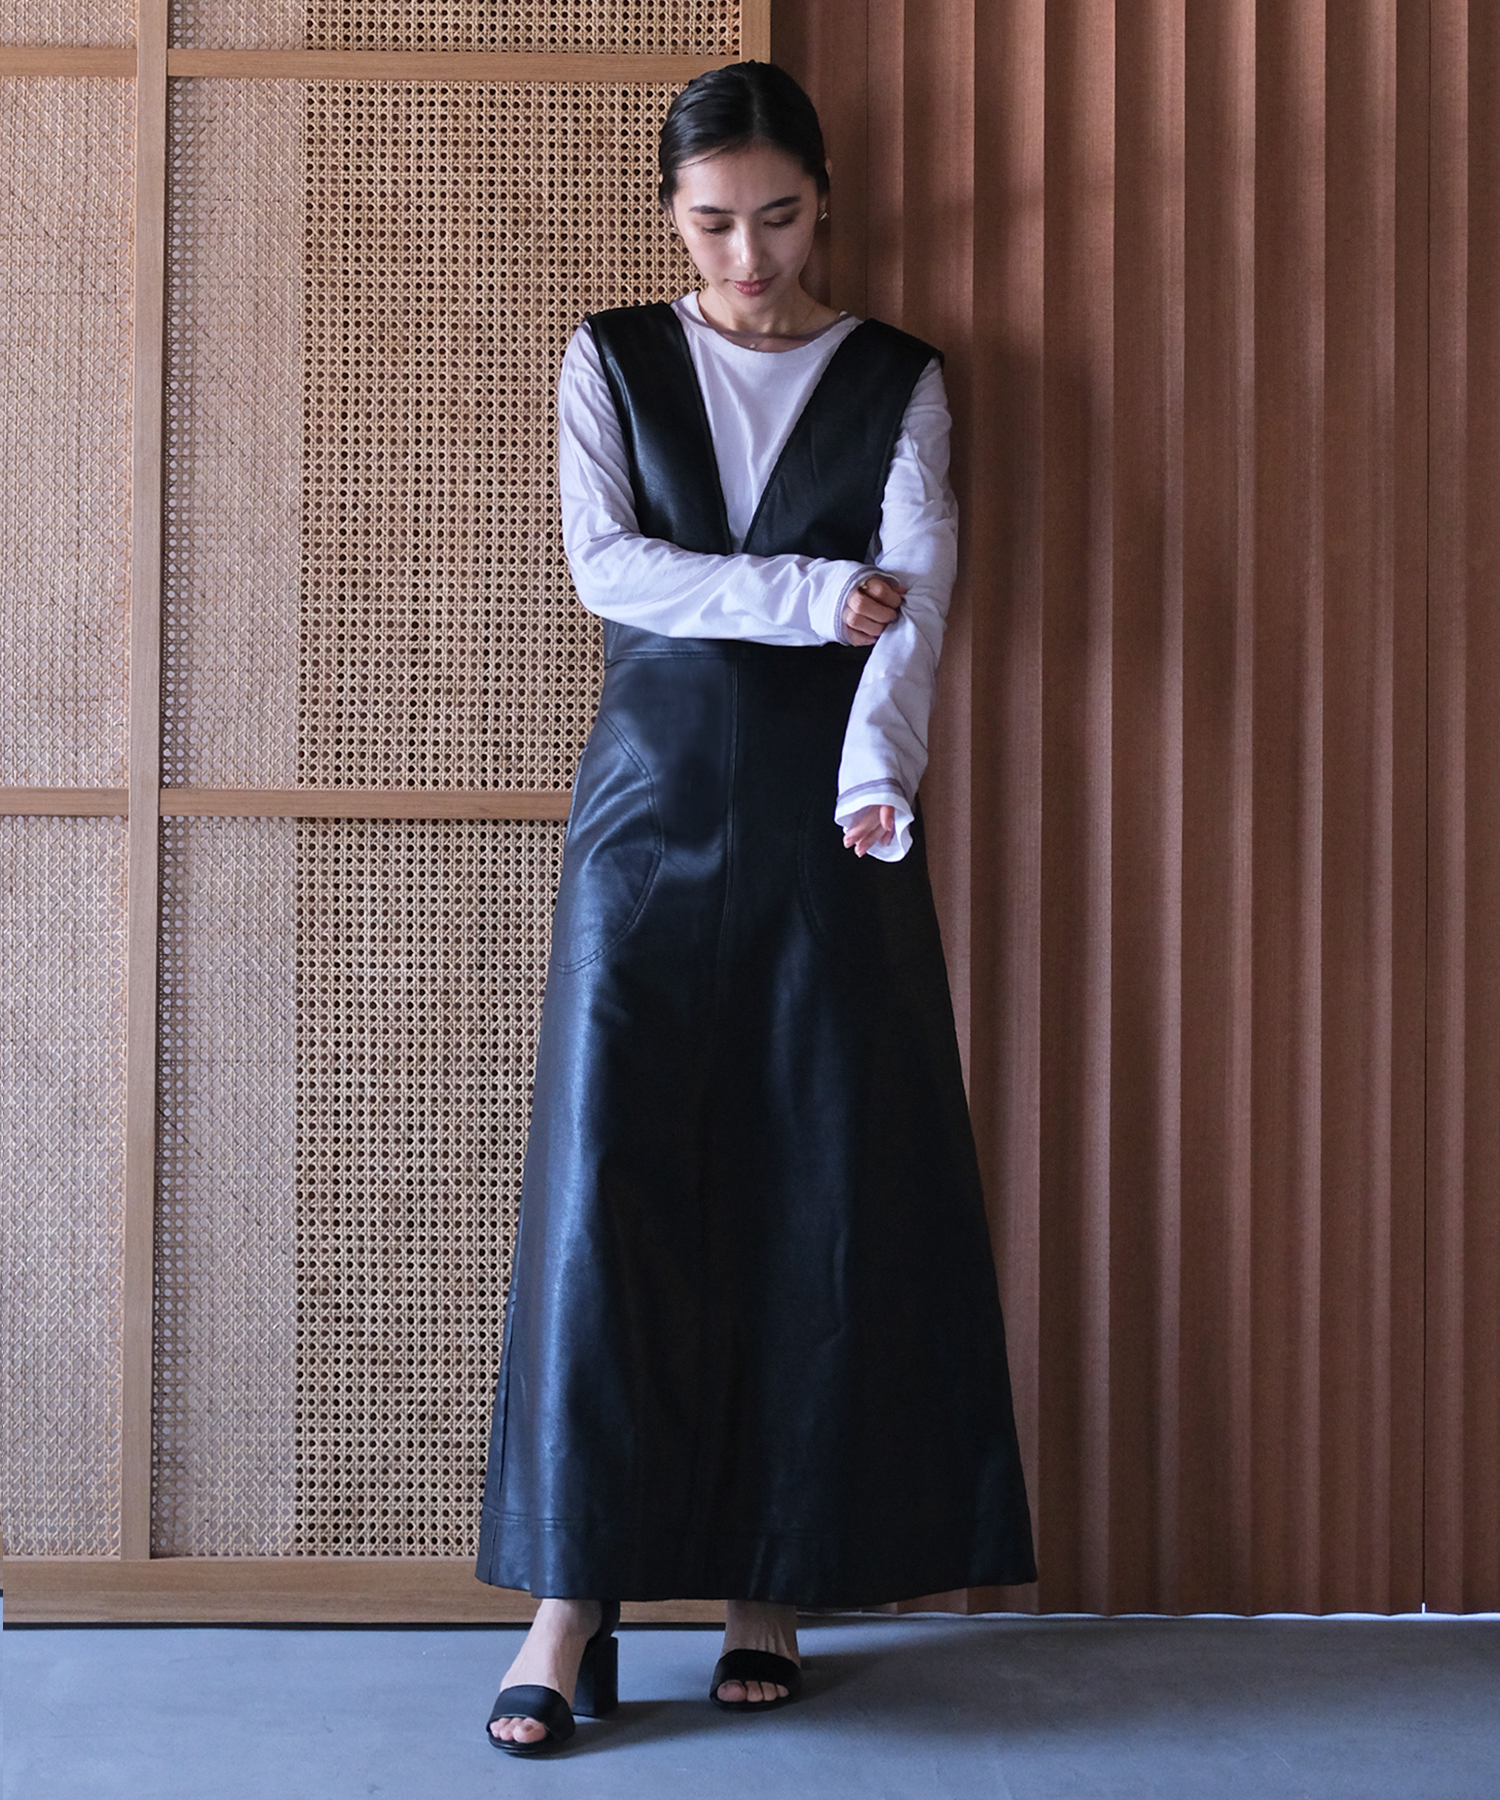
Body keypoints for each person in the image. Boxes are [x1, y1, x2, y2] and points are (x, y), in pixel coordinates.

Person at [479, 61, 1035, 1757]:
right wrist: (808, 593)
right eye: (715, 223)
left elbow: (918, 601)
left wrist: (877, 777)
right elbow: (608, 568)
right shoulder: (610, 356)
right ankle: (569, 1605)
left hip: (832, 822)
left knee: (814, 1182)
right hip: (644, 820)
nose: (749, 258)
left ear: (824, 203)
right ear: (673, 215)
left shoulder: (899, 377)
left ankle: (769, 1588)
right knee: (609, 1187)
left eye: (779, 218)